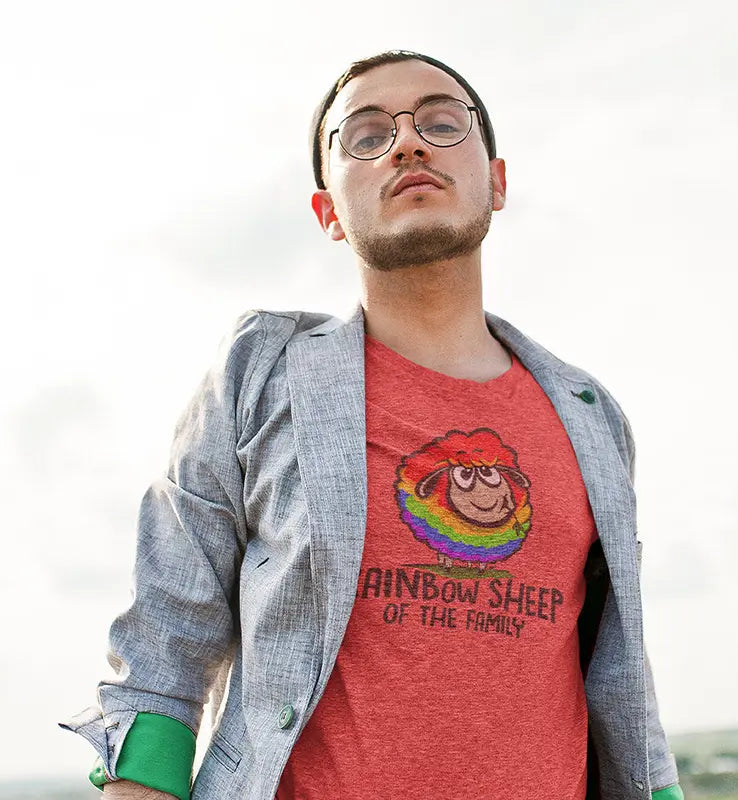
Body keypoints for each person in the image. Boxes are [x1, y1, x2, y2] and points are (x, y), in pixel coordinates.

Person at [60, 50, 684, 800]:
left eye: (443, 122)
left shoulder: (591, 415)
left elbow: (622, 682)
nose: (408, 143)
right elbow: (164, 652)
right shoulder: (259, 375)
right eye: (365, 135)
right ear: (328, 213)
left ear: (498, 181)